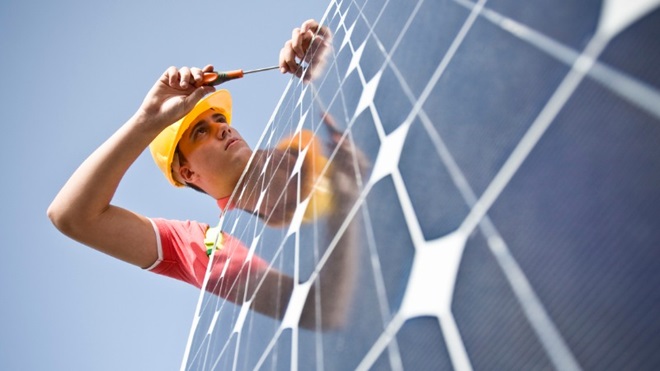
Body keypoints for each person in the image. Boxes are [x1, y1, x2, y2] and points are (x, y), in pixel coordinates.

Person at [48, 19, 362, 330]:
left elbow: (379, 116)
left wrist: (326, 65)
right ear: (186, 172)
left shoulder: (305, 144)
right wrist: (147, 120)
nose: (222, 128)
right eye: (202, 131)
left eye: (219, 119)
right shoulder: (199, 245)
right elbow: (72, 216)